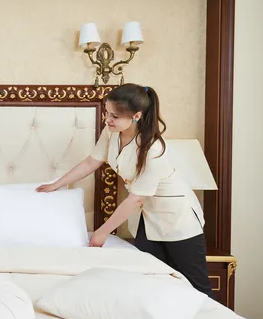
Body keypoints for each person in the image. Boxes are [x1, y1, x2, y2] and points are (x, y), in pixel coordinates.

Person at [36, 83, 213, 298]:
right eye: (107, 113)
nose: (108, 120)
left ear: (136, 116)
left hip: (176, 217)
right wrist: (56, 184)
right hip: (145, 217)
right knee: (151, 280)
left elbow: (135, 198)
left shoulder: (153, 148)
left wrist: (102, 232)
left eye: (115, 116)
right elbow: (92, 162)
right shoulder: (112, 132)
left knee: (196, 285)